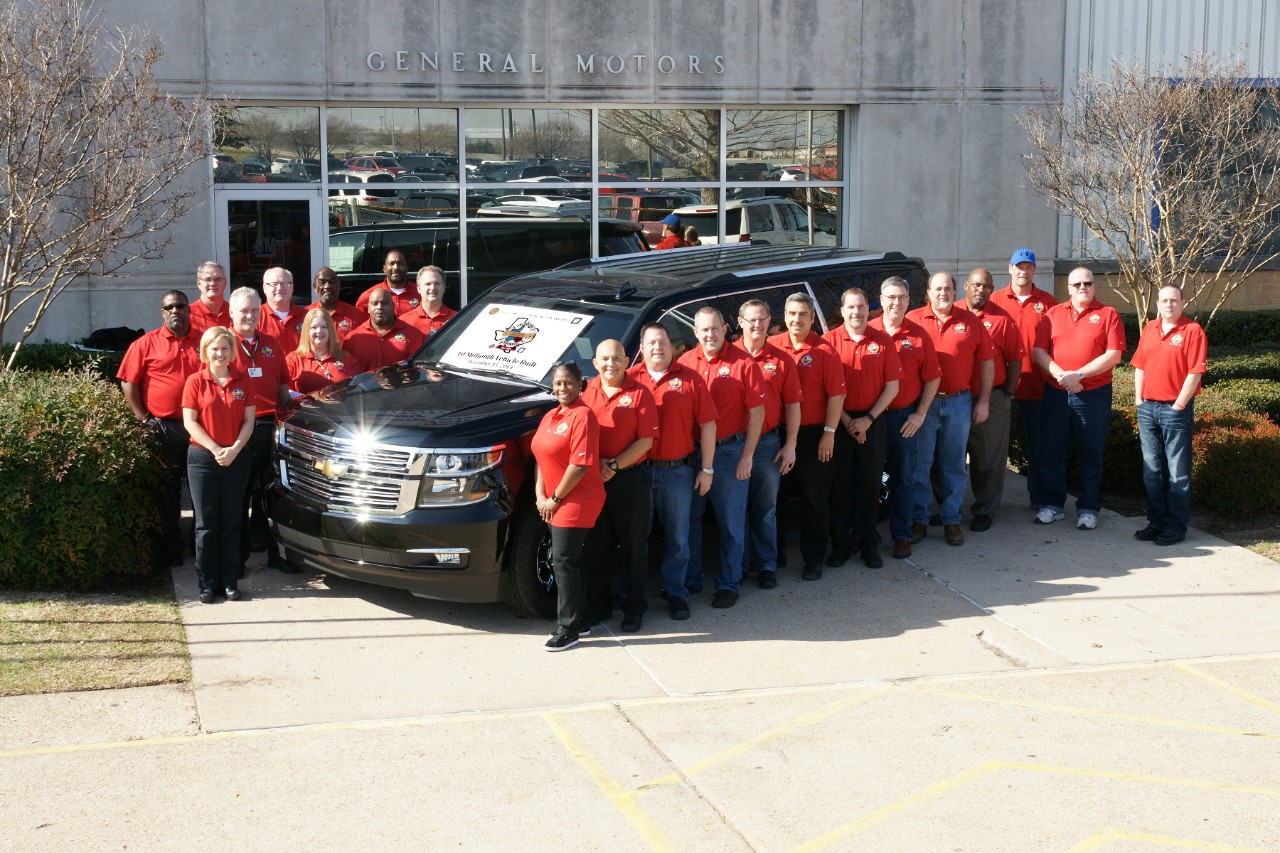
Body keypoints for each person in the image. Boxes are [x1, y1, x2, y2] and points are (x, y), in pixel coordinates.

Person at [627, 323, 717, 621]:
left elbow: (708, 424)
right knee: (636, 537)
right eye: (651, 342)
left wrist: (706, 468)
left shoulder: (690, 378)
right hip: (637, 473)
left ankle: (676, 593)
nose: (657, 347)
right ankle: (632, 596)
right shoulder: (628, 379)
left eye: (663, 341)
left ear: (671, 345)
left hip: (677, 471)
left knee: (679, 536)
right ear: (641, 347)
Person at [679, 307, 767, 609]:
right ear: (695, 332)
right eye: (704, 330)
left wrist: (748, 455)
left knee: (731, 522)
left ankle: (729, 582)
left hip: (730, 452)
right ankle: (690, 579)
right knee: (690, 520)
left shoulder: (743, 363)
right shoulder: (685, 363)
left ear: (725, 328)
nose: (710, 335)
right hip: (691, 454)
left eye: (715, 329)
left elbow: (757, 412)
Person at [1032, 266, 1126, 530]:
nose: (1082, 287)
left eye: (1087, 283)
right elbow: (1039, 350)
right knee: (1052, 451)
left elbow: (1113, 356)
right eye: (1077, 284)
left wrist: (1079, 375)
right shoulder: (1053, 314)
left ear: (1094, 286)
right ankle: (1052, 505)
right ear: (1068, 288)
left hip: (1093, 395)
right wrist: (1062, 375)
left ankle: (1088, 508)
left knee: (1090, 453)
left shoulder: (1108, 315)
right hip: (1056, 393)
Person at [906, 272, 996, 546]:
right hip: (924, 404)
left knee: (954, 465)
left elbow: (987, 362)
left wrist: (984, 401)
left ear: (955, 292)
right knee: (920, 465)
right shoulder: (913, 320)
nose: (943, 293)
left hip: (959, 402)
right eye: (937, 289)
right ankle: (919, 518)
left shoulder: (970, 321)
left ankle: (951, 520)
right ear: (928, 293)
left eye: (948, 288)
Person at [117, 290, 202, 565]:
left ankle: (200, 547)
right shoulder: (145, 344)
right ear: (162, 312)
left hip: (201, 429)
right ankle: (170, 548)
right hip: (164, 428)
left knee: (202, 490)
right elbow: (128, 382)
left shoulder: (205, 341)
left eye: (180, 306)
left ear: (189, 309)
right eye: (169, 307)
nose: (175, 311)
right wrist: (143, 418)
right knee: (168, 491)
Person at [580, 340, 659, 632]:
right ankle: (599, 606)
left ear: (627, 361)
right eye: (605, 359)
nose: (610, 364)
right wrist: (595, 467)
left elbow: (646, 441)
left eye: (616, 358)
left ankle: (634, 608)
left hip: (629, 480)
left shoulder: (641, 393)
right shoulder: (584, 391)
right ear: (595, 363)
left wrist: (612, 466)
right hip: (592, 481)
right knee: (595, 547)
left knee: (634, 547)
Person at [768, 292, 846, 579]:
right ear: (784, 316)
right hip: (777, 436)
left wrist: (829, 433)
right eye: (792, 314)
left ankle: (814, 559)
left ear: (812, 318)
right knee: (774, 500)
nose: (796, 319)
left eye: (803, 314)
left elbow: (837, 396)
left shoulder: (825, 351)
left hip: (814, 436)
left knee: (814, 501)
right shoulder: (773, 347)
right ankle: (773, 556)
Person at [824, 288, 901, 570]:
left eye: (861, 308)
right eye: (851, 307)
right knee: (839, 488)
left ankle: (869, 545)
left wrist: (867, 419)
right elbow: (824, 390)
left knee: (871, 488)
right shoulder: (828, 342)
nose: (856, 312)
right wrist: (847, 422)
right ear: (842, 310)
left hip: (873, 422)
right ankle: (841, 546)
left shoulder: (882, 341)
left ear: (869, 311)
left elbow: (893, 386)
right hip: (838, 423)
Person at [532, 361, 606, 651]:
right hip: (552, 499)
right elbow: (540, 456)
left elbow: (579, 465)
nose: (563, 388)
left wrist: (555, 499)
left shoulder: (583, 416)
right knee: (569, 560)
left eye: (569, 383)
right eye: (558, 383)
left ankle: (568, 629)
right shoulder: (551, 415)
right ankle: (582, 619)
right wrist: (540, 496)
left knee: (563, 561)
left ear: (581, 384)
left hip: (577, 498)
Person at [182, 326, 255, 603]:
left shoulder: (243, 380)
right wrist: (215, 449)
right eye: (214, 348)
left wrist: (234, 449)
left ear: (232, 352)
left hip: (236, 459)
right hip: (203, 459)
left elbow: (249, 421)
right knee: (206, 525)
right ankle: (207, 584)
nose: (220, 353)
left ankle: (229, 581)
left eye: (225, 348)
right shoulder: (195, 382)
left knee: (232, 522)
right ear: (205, 351)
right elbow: (190, 421)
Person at [870, 277, 941, 560]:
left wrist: (920, 414)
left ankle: (901, 534)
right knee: (868, 478)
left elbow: (934, 377)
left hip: (903, 419)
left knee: (903, 479)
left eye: (901, 297)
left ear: (909, 300)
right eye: (890, 297)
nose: (895, 302)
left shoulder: (919, 334)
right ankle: (866, 532)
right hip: (870, 420)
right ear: (881, 299)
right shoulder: (868, 330)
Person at [1132, 285, 1207, 546]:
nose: (1169, 305)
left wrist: (1178, 405)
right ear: (1158, 304)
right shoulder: (1150, 329)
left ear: (1183, 303)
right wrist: (1138, 399)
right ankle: (1156, 522)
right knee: (1152, 471)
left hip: (1175, 410)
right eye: (1164, 300)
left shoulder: (1192, 331)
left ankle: (1176, 526)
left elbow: (1195, 372)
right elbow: (1139, 366)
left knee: (1178, 473)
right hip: (1148, 409)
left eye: (1174, 300)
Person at [735, 299, 801, 589]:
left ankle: (766, 564)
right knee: (734, 510)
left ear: (770, 321)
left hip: (767, 444)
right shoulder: (728, 357)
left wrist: (791, 445)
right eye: (751, 320)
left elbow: (794, 406)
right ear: (740, 322)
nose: (757, 325)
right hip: (731, 446)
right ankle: (735, 567)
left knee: (765, 509)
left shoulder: (781, 358)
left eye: (762, 319)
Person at [227, 287, 291, 574]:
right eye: (244, 310)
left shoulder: (272, 343)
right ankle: (236, 560)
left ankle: (277, 557)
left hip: (269, 426)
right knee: (238, 497)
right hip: (238, 429)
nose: (250, 316)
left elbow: (282, 387)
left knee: (273, 496)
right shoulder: (222, 344)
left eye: (255, 310)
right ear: (231, 313)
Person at [990, 249, 1057, 509]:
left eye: (1028, 267)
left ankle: (1038, 498)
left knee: (1038, 447)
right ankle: (988, 503)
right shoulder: (994, 301)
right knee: (993, 450)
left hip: (1037, 387)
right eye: (1019, 266)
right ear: (1010, 268)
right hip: (1000, 389)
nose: (1023, 271)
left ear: (1034, 271)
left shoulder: (1048, 302)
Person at [959, 268, 1025, 532]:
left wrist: (1007, 392)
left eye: (987, 286)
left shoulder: (1002, 319)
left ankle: (985, 510)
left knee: (988, 460)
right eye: (976, 285)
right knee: (947, 458)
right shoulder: (953, 313)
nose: (981, 290)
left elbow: (1016, 358)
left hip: (992, 399)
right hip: (953, 399)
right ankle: (943, 509)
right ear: (966, 285)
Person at [344, 287, 428, 371]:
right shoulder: (352, 339)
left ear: (393, 306)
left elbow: (423, 369)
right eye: (375, 303)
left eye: (384, 303)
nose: (379, 307)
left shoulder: (414, 335)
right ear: (368, 308)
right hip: (365, 384)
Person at [287, 308, 359, 395]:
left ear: (330, 330)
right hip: (305, 409)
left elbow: (357, 392)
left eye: (324, 327)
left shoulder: (347, 359)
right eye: (313, 327)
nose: (319, 331)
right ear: (306, 331)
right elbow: (285, 392)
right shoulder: (293, 360)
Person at [306, 267, 363, 343]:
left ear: (339, 285)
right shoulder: (305, 315)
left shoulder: (357, 315)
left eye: (332, 282)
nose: (327, 286)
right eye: (322, 282)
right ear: (315, 287)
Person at [258, 267, 307, 352]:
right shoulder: (255, 316)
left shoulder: (307, 316)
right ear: (264, 287)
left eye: (284, 283)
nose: (280, 288)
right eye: (274, 284)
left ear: (292, 287)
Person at [355, 251, 420, 315]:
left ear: (407, 268)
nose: (396, 267)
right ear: (384, 268)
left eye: (400, 263)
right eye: (391, 263)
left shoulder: (420, 293)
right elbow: (360, 322)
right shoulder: (368, 296)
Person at [404, 265, 456, 337]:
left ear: (444, 288)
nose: (432, 288)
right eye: (428, 284)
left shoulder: (457, 320)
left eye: (437, 283)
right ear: (418, 289)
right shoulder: (405, 322)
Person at [188, 262, 230, 333]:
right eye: (208, 279)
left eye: (218, 279)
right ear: (199, 284)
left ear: (225, 283)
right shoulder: (187, 314)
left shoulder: (234, 312)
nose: (213, 283)